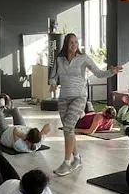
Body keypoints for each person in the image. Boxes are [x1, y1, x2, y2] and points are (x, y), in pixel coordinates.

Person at [50, 33, 122, 176]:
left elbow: (99, 73)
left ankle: (66, 163)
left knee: (68, 127)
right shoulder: (59, 59)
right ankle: (77, 159)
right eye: (71, 42)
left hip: (79, 97)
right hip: (63, 98)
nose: (74, 45)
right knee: (69, 129)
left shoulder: (83, 58)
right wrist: (52, 84)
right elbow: (53, 77)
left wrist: (112, 72)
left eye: (76, 42)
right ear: (66, 44)